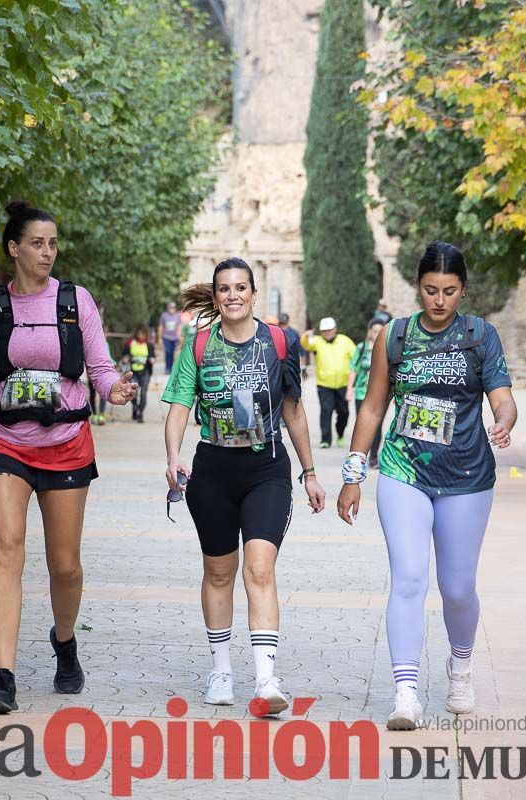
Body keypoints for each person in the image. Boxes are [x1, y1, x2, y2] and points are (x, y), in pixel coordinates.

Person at [0, 201, 137, 714]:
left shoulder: (76, 302)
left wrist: (115, 388)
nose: (47, 252)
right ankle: (4, 676)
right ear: (14, 248)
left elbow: (98, 367)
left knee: (65, 565)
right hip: (4, 441)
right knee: (6, 550)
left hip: (66, 442)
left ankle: (64, 641)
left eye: (53, 243)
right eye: (37, 243)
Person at [336, 242, 517, 731]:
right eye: (431, 290)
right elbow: (373, 407)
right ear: (418, 287)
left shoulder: (481, 337)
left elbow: (502, 397)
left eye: (450, 291)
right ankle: (406, 692)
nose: (440, 301)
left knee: (457, 588)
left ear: (463, 290)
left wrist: (503, 420)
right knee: (410, 579)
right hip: (403, 471)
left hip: (466, 477)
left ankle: (460, 666)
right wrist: (353, 475)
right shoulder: (394, 337)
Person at [162, 257, 326, 714]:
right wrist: (173, 455)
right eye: (224, 289)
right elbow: (178, 407)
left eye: (241, 288)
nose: (232, 296)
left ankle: (266, 679)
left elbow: (293, 410)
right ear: (215, 297)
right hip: (212, 469)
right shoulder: (197, 346)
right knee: (218, 573)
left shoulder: (279, 342)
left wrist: (309, 471)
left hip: (266, 469)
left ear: (254, 293)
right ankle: (220, 670)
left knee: (259, 569)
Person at [301, 318, 356, 448]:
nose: (327, 332)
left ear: (335, 329)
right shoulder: (317, 341)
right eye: (324, 330)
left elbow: (355, 356)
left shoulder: (345, 340)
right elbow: (305, 344)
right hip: (324, 384)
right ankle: (325, 439)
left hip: (343, 384)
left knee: (344, 412)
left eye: (329, 329)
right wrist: (306, 335)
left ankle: (340, 433)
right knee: (326, 411)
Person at [348, 318, 386, 468]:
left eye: (380, 331)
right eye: (375, 331)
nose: (377, 334)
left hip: (381, 395)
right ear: (370, 331)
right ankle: (360, 456)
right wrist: (349, 388)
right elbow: (353, 368)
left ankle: (374, 457)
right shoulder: (362, 348)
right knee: (362, 424)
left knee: (378, 425)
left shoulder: (386, 349)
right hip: (361, 393)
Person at [122, 324, 156, 423]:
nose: (141, 335)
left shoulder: (149, 344)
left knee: (143, 392)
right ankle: (135, 407)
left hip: (145, 371)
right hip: (133, 371)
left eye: (143, 333)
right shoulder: (130, 343)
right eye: (139, 333)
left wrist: (152, 360)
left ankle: (141, 414)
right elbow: (125, 354)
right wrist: (125, 358)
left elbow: (152, 356)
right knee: (133, 392)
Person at [158, 301, 183, 374]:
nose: (172, 309)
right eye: (170, 307)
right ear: (168, 308)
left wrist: (180, 335)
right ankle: (167, 368)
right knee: (168, 351)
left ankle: (171, 367)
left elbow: (179, 326)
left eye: (173, 308)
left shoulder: (177, 315)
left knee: (172, 352)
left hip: (175, 337)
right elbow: (161, 327)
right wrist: (159, 338)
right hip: (166, 337)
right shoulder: (164, 316)